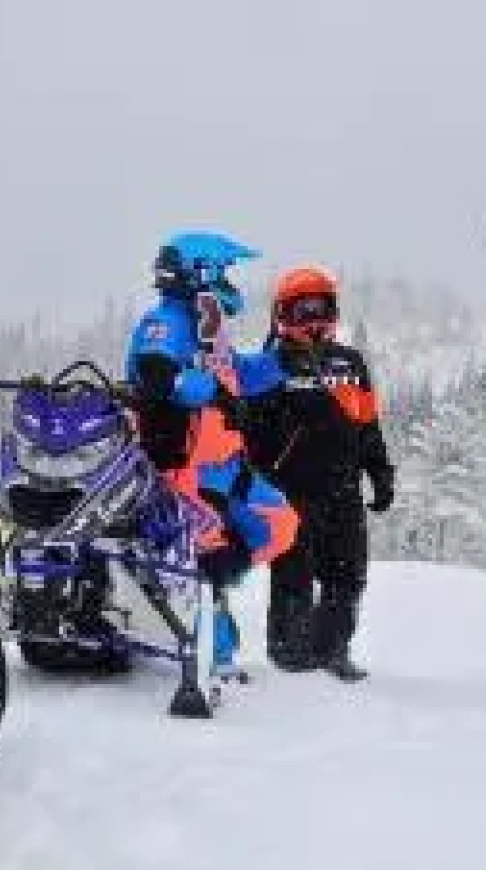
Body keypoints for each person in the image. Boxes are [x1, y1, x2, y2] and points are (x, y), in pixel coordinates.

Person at [125, 231, 298, 678]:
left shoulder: (208, 328)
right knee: (208, 548)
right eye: (224, 273)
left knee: (278, 523)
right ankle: (205, 641)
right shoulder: (169, 319)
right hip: (180, 469)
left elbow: (237, 373)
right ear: (201, 272)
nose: (230, 283)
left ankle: (208, 587)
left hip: (223, 470)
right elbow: (155, 373)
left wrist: (285, 358)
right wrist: (201, 388)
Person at [242, 264, 394, 681]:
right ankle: (290, 657)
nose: (311, 318)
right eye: (301, 309)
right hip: (290, 491)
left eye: (319, 307)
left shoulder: (350, 363)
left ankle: (333, 652)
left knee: (347, 573)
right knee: (294, 574)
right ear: (282, 314)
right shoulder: (268, 365)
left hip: (343, 488)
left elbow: (368, 424)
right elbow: (248, 429)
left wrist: (380, 472)